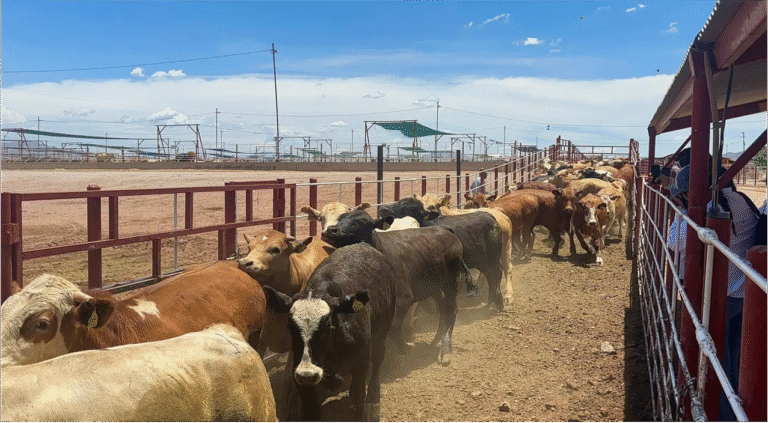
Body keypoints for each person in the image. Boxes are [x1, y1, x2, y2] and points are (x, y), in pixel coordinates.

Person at [666, 165, 759, 420]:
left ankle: (726, 413)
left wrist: (683, 210)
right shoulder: (740, 199)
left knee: (720, 359)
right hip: (746, 292)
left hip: (722, 295)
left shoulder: (707, 209)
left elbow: (673, 242)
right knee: (739, 356)